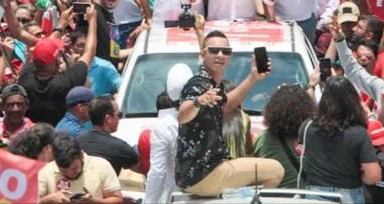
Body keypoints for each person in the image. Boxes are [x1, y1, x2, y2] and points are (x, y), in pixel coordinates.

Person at [174, 30, 284, 196]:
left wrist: (253, 78)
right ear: (203, 54)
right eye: (214, 51)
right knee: (276, 170)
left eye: (226, 52)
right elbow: (182, 116)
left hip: (196, 175)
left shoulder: (211, 82)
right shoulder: (197, 83)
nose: (220, 55)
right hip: (207, 173)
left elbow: (227, 105)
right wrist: (198, 102)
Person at [297, 76, 381, 202]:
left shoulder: (307, 127)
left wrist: (311, 86)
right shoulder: (359, 133)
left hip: (314, 195)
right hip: (348, 195)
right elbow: (373, 176)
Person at [18, 5, 97, 126]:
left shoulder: (24, 77)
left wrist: (60, 26)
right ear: (56, 62)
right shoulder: (65, 82)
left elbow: (43, 47)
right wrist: (92, 21)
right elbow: (89, 52)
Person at [144, 64, 193, 204]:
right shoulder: (206, 115)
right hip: (207, 193)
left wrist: (149, 201)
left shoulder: (164, 126)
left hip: (175, 195)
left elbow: (157, 172)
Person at [253, 84, 316, 188]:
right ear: (308, 109)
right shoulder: (315, 136)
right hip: (312, 197)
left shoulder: (264, 139)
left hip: (278, 198)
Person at [37, 134, 123, 204]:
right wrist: (47, 200)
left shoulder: (101, 165)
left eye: (74, 169)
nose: (70, 174)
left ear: (81, 156)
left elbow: (118, 199)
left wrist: (95, 202)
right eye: (63, 171)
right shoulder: (45, 171)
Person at [77, 96, 140, 174]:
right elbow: (143, 169)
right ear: (108, 118)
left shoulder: (77, 141)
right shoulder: (120, 147)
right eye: (119, 115)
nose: (120, 118)